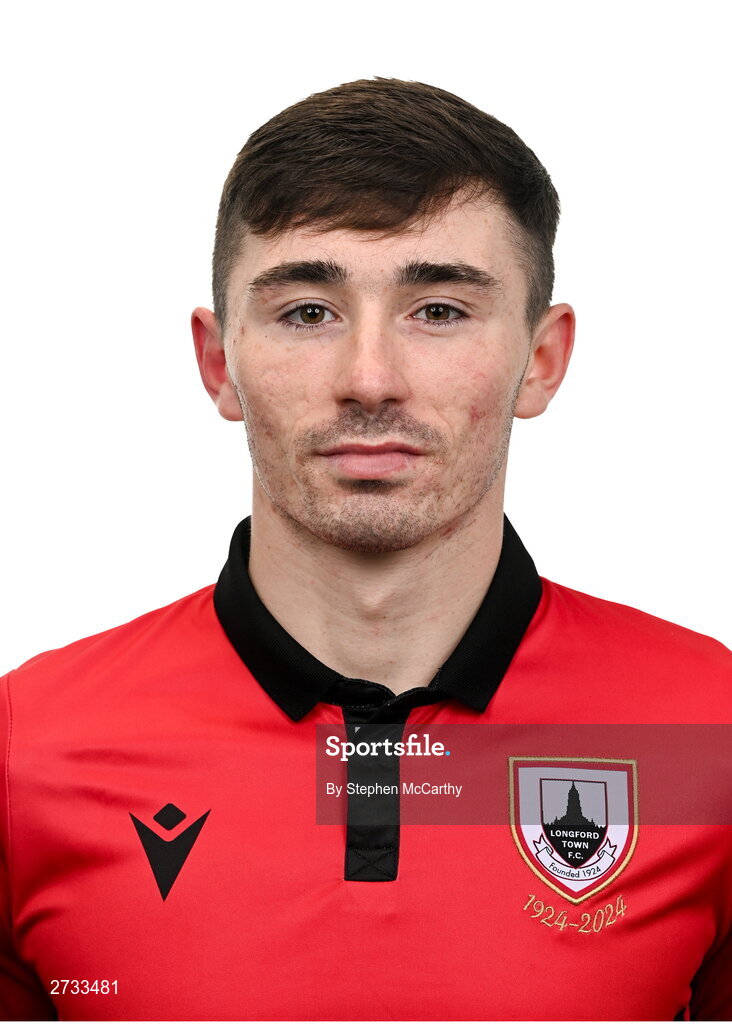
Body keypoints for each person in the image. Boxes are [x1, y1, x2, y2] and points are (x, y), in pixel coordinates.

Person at [1, 77, 730, 1022]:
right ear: (218, 363)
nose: (370, 379)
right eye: (309, 311)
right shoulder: (25, 750)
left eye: (440, 309)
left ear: (542, 361)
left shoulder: (710, 729)